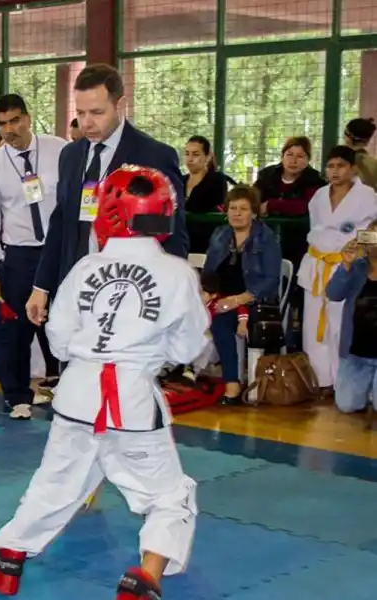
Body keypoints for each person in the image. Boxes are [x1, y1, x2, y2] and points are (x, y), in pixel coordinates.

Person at [0, 166, 207, 599]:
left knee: (57, 482)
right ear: (162, 216)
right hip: (133, 400)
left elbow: (60, 341)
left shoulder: (87, 267)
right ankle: (146, 577)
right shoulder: (177, 273)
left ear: (110, 213)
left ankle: (9, 558)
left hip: (77, 396)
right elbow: (185, 351)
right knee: (167, 496)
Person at [30, 64, 188, 330]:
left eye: (97, 112)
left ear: (120, 104)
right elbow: (61, 223)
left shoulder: (153, 156)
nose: (87, 122)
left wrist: (170, 297)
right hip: (75, 290)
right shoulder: (70, 155)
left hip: (129, 295)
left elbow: (172, 235)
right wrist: (41, 286)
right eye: (80, 113)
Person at [0, 94, 65, 419]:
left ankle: (70, 391)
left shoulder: (59, 150)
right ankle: (17, 397)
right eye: (2, 124)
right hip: (19, 256)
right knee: (15, 332)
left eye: (15, 121)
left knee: (65, 323)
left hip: (60, 251)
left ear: (28, 118)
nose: (9, 129)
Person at [299, 145, 377, 389]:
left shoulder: (367, 196)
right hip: (317, 264)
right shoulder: (319, 196)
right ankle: (318, 381)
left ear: (353, 168)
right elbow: (315, 230)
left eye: (340, 165)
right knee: (312, 325)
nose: (334, 171)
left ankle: (340, 381)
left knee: (339, 325)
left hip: (347, 267)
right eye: (330, 166)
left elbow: (374, 231)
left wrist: (359, 250)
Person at [201, 185, 281, 402]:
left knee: (221, 323)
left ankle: (232, 385)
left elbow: (271, 281)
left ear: (254, 212)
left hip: (255, 301)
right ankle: (197, 376)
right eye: (232, 208)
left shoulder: (266, 238)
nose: (236, 213)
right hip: (223, 298)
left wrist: (238, 300)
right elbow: (209, 272)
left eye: (243, 209)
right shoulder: (220, 235)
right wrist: (208, 293)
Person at [327, 219, 377, 412]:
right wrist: (345, 265)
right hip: (356, 353)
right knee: (347, 406)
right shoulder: (357, 268)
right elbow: (333, 294)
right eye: (371, 236)